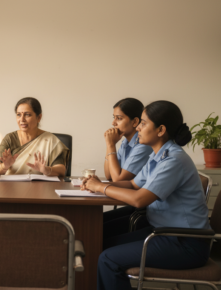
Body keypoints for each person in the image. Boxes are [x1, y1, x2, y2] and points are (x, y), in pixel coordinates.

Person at [82, 101, 211, 290]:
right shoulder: (158, 155)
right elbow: (133, 184)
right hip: (164, 233)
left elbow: (139, 199)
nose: (138, 128)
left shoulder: (173, 160)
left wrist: (101, 188)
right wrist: (99, 184)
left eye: (143, 123)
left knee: (108, 258)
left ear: (160, 130)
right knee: (100, 244)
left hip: (186, 243)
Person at [103, 98, 153, 237]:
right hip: (137, 205)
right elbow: (108, 175)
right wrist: (110, 146)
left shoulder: (143, 144)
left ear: (135, 122)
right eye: (114, 118)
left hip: (145, 210)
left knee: (98, 229)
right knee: (97, 222)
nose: (113, 123)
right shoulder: (126, 141)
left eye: (119, 118)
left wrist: (110, 145)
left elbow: (118, 178)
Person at [0, 97, 69, 177]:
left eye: (27, 115)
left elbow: (61, 170)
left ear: (39, 117)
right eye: (18, 115)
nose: (22, 119)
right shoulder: (10, 138)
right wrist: (5, 166)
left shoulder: (50, 140)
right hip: (12, 187)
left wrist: (46, 169)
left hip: (41, 187)